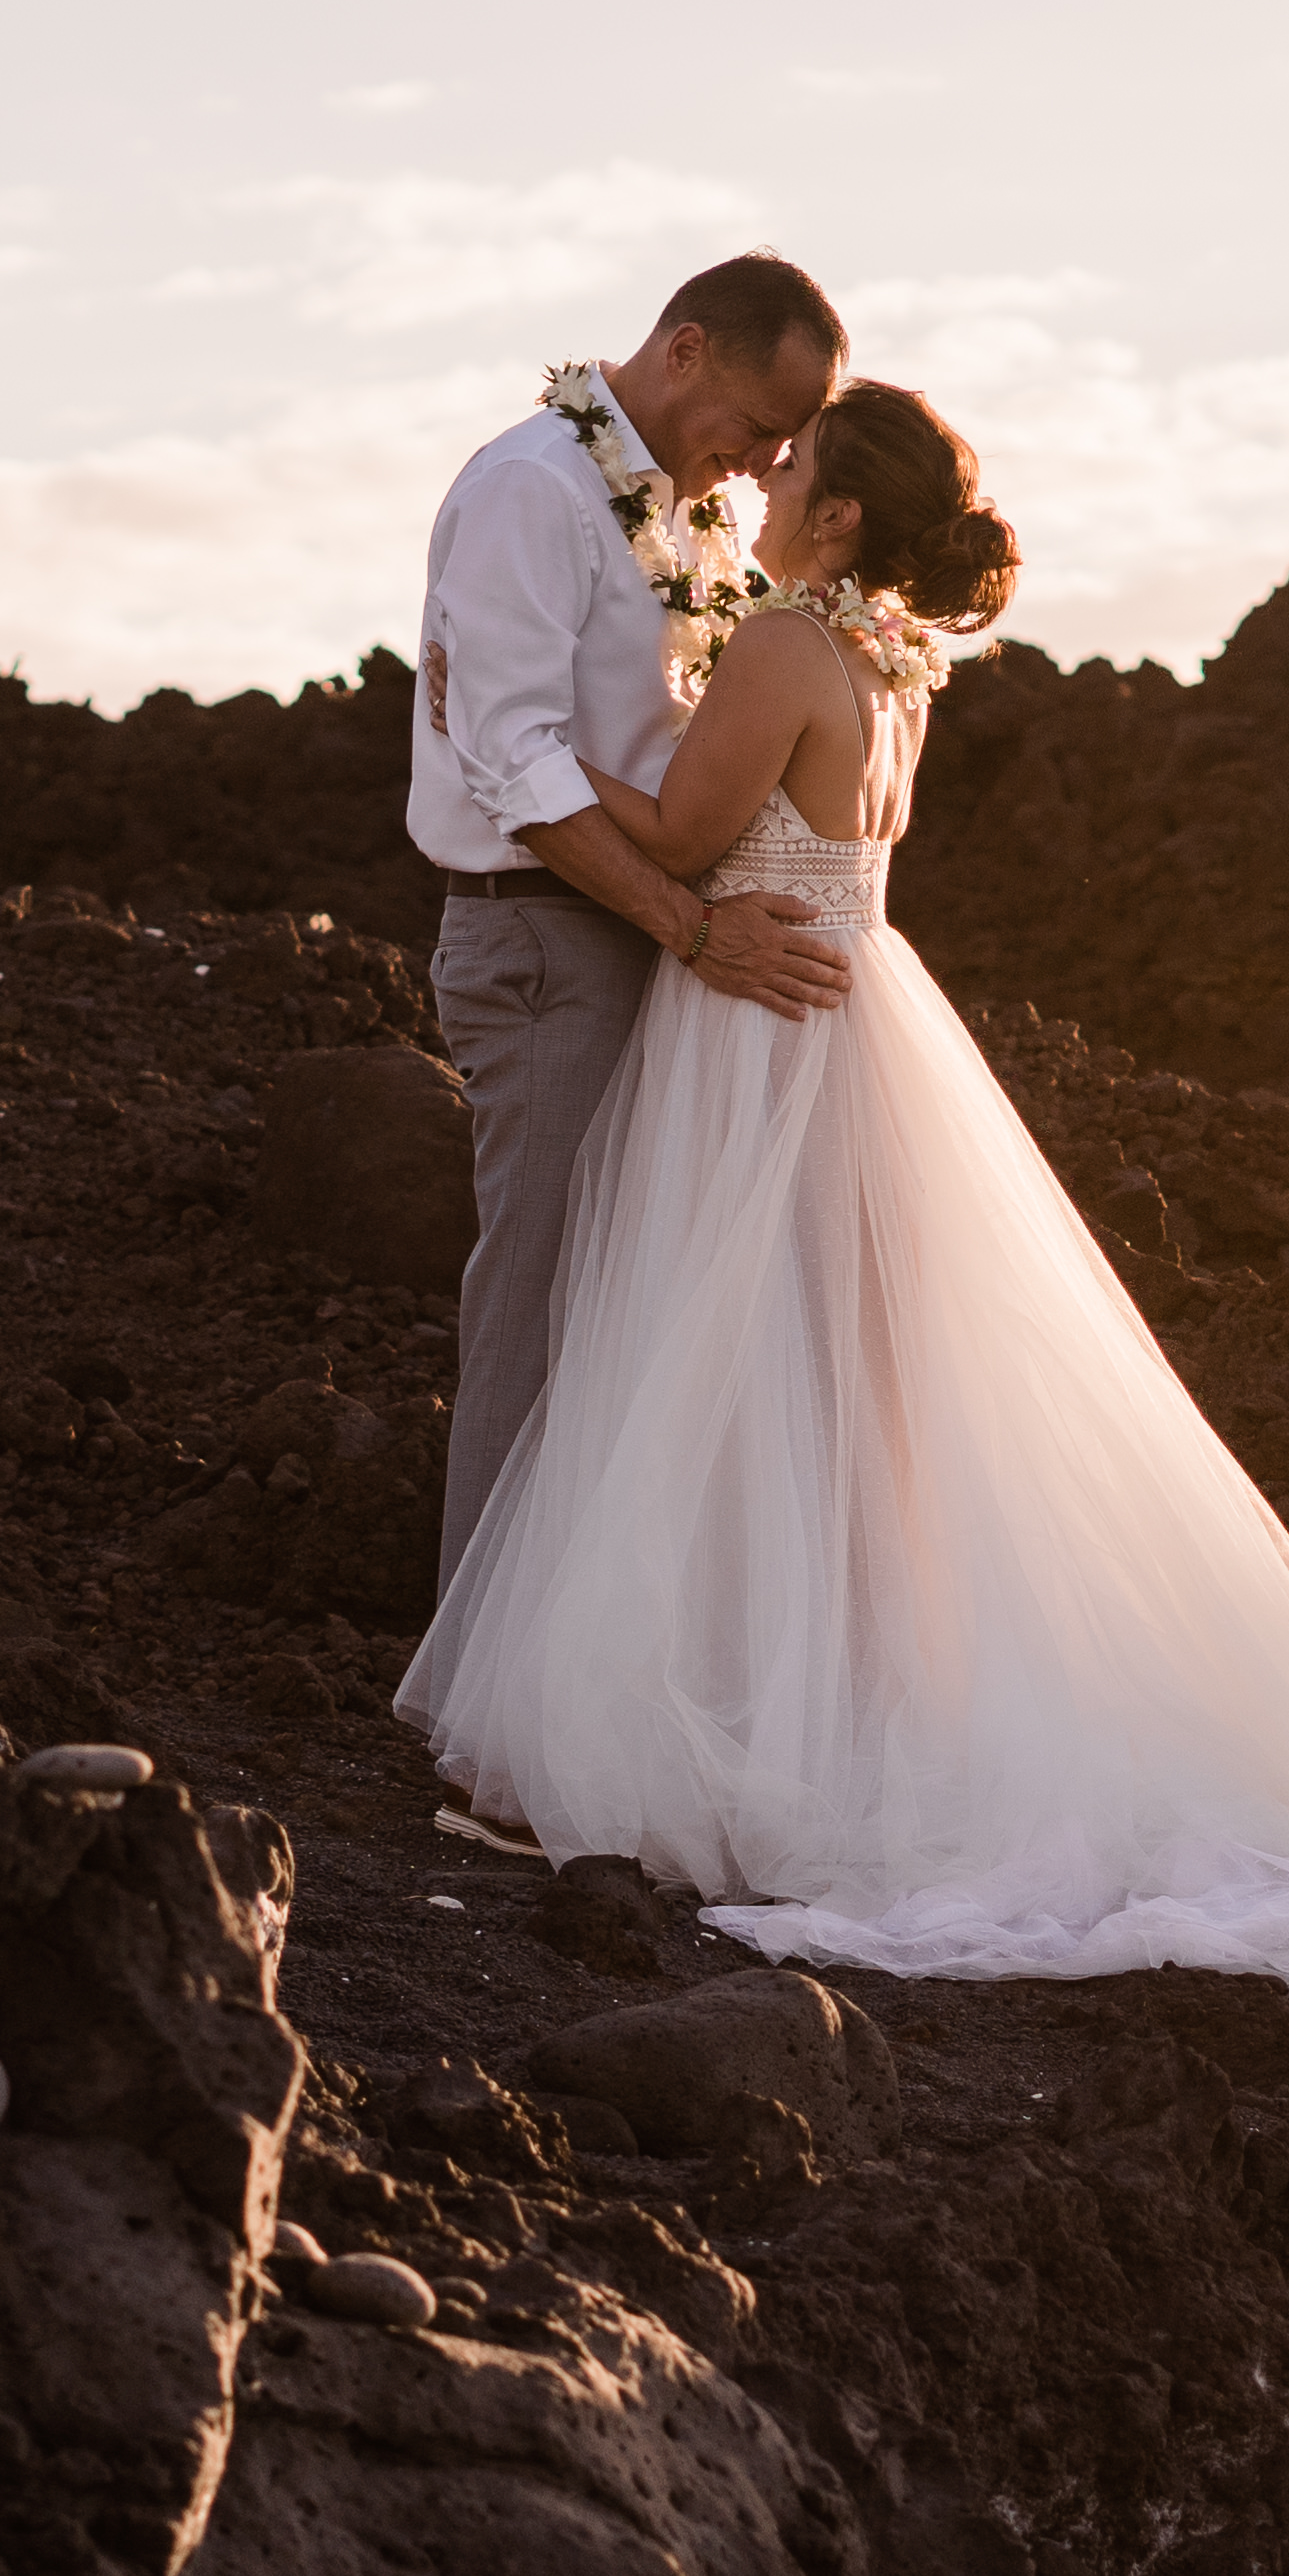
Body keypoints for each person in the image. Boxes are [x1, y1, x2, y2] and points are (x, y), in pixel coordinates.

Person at [401, 384, 1289, 2019]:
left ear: (845, 513)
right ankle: (843, 1701)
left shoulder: (790, 648)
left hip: (756, 1025)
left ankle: (694, 1728)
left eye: (793, 462)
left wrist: (493, 727)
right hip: (863, 1008)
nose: (766, 476)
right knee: (845, 1387)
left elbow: (676, 830)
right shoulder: (894, 667)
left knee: (709, 1368)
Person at [412, 255, 857, 1588]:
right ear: (684, 353)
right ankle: (478, 1701)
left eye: (791, 442)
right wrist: (694, 926)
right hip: (548, 935)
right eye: (760, 425)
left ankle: (591, 1674)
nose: (770, 459)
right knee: (544, 1306)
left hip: (654, 931)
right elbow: (513, 760)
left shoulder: (700, 519)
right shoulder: (528, 492)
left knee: (638, 1313)